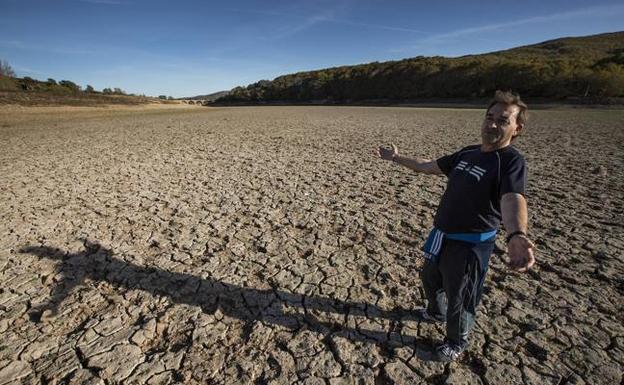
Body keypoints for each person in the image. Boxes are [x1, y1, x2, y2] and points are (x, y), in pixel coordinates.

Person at [375, 90, 536, 362]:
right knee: (430, 277)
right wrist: (395, 158)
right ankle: (435, 312)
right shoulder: (469, 152)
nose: (492, 124)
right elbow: (428, 167)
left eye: (502, 120)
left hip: (470, 244)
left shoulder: (510, 161)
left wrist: (517, 234)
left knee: (461, 296)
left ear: (516, 128)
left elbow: (512, 198)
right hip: (441, 235)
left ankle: (456, 341)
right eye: (490, 117)